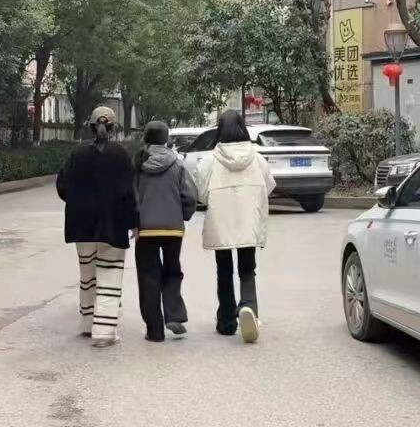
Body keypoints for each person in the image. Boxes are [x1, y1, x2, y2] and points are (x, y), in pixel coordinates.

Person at [56, 106, 139, 347]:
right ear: (113, 128)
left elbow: (62, 186)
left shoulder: (77, 154)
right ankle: (103, 331)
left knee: (87, 275)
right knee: (110, 275)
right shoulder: (121, 155)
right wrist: (134, 223)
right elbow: (129, 193)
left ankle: (87, 323)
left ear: (91, 127)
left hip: (81, 225)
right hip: (114, 224)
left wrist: (77, 203)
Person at [195, 109, 275, 343]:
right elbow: (269, 186)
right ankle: (249, 307)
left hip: (221, 220)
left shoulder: (209, 161)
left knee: (224, 270)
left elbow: (201, 194)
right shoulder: (257, 159)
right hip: (249, 220)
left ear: (220, 130)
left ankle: (227, 321)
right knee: (247, 269)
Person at [133, 121, 198, 342]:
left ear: (146, 139)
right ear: (166, 139)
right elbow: (189, 196)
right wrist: (183, 215)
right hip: (173, 229)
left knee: (148, 277)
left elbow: (130, 196)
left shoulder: (138, 164)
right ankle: (175, 315)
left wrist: (133, 222)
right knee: (172, 271)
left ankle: (155, 331)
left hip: (146, 230)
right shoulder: (177, 164)